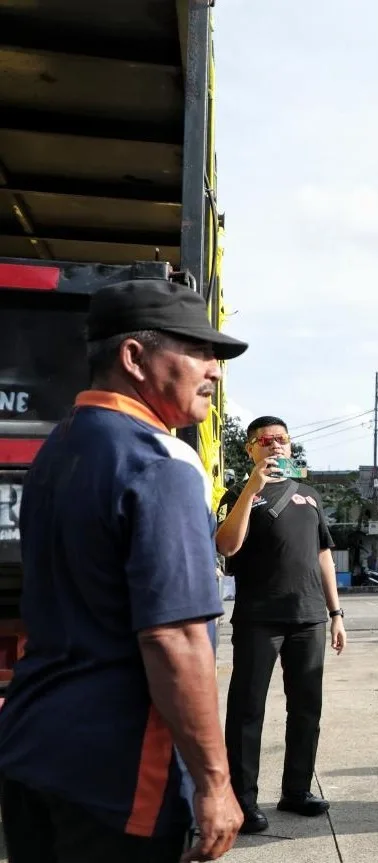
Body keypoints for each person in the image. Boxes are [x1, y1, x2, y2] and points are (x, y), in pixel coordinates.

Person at [0, 279, 247, 861]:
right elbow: (175, 637)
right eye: (197, 351)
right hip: (117, 777)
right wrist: (214, 782)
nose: (214, 371)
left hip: (32, 753)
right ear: (134, 357)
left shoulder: (58, 449)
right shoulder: (160, 462)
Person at [216, 416, 347, 834]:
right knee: (247, 709)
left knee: (306, 708)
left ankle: (297, 790)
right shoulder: (237, 494)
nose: (275, 445)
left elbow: (324, 555)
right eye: (266, 440)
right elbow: (227, 545)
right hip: (259, 618)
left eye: (282, 439)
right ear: (250, 449)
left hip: (309, 616)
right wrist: (251, 489)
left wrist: (336, 614)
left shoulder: (309, 494)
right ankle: (242, 801)